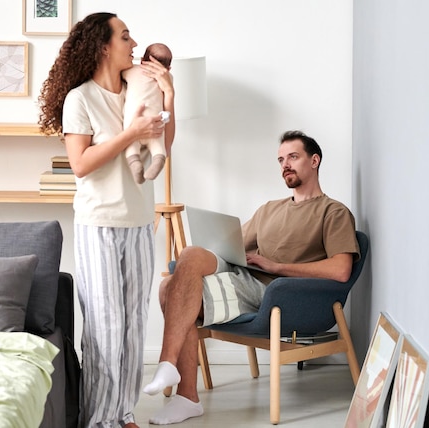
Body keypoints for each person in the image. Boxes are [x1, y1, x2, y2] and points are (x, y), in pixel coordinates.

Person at [143, 130, 360, 425]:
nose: (285, 164)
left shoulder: (333, 212)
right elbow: (229, 245)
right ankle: (170, 366)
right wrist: (228, 252)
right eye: (281, 159)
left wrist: (275, 266)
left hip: (276, 292)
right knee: (188, 258)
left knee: (171, 288)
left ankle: (187, 396)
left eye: (293, 157)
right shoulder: (270, 209)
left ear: (314, 161)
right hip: (243, 278)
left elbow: (340, 269)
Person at [38, 12, 175, 428]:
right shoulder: (79, 98)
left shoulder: (139, 88)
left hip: (138, 222)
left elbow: (164, 145)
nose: (133, 43)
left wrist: (169, 96)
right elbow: (80, 164)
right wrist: (130, 134)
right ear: (102, 45)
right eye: (125, 36)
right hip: (98, 223)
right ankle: (99, 419)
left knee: (134, 327)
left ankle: (124, 413)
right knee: (105, 328)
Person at [122, 43, 173, 184]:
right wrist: (169, 91)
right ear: (168, 68)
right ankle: (158, 161)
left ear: (142, 61)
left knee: (131, 148)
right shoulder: (169, 78)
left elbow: (120, 73)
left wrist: (169, 93)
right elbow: (167, 146)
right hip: (156, 125)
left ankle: (135, 164)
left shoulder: (132, 71)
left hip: (132, 124)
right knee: (159, 148)